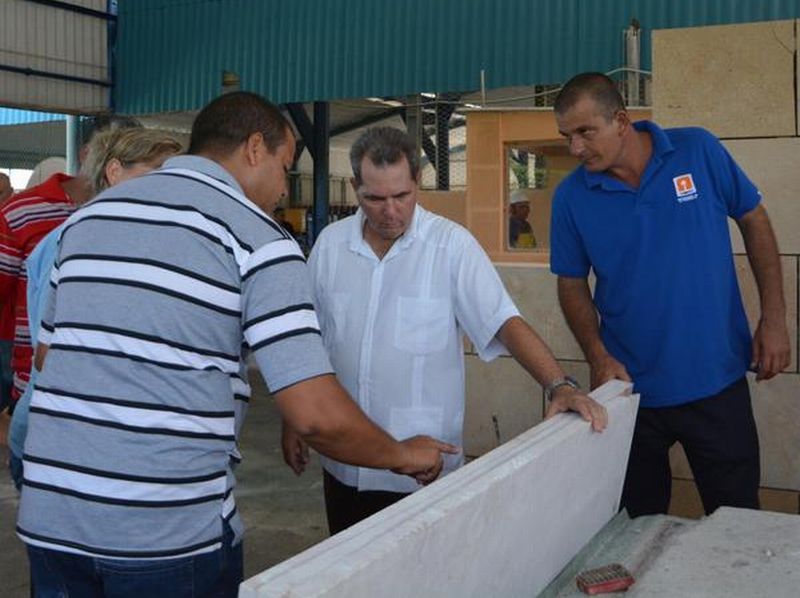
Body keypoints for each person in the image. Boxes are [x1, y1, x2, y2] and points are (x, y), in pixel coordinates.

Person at [16, 92, 454, 597]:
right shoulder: (257, 237)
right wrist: (402, 455)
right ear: (253, 149)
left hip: (53, 517)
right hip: (166, 534)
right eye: (284, 167)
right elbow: (314, 413)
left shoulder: (86, 218)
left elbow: (51, 357)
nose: (281, 188)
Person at [282, 126, 607, 535]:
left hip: (422, 469)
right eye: (375, 199)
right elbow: (308, 338)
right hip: (345, 464)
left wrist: (559, 385)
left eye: (402, 196)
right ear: (354, 187)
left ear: (417, 183)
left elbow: (504, 321)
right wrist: (293, 417)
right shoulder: (330, 247)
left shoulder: (451, 247)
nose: (390, 211)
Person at [550, 72, 790, 518]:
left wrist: (774, 320)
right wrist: (598, 356)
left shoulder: (697, 150)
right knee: (633, 525)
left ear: (621, 120)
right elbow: (570, 282)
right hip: (629, 394)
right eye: (567, 136)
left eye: (586, 132)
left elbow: (754, 218)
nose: (575, 149)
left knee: (737, 519)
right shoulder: (571, 198)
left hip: (718, 381)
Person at [6, 127, 183, 490]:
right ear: (114, 172)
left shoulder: (140, 243)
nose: (171, 186)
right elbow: (51, 358)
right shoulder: (69, 244)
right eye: (158, 171)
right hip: (60, 434)